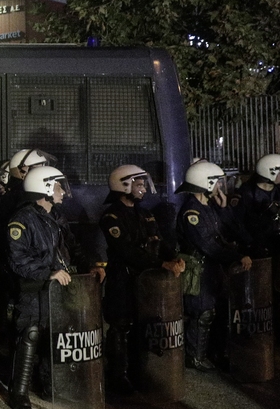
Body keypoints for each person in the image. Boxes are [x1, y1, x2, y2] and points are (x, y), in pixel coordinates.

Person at [5, 165, 91, 409]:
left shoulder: (56, 217)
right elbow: (17, 258)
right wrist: (48, 273)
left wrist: (90, 265)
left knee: (54, 336)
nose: (62, 192)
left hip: (56, 288)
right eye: (58, 186)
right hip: (33, 287)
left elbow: (69, 247)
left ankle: (51, 386)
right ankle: (19, 392)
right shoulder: (22, 219)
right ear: (44, 188)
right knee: (30, 334)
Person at [99, 165, 184, 393]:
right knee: (121, 325)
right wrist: (161, 263)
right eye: (139, 185)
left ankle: (139, 373)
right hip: (123, 279)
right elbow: (127, 251)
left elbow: (159, 241)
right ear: (124, 185)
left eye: (143, 185)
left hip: (146, 282)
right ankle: (118, 376)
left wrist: (173, 258)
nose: (143, 189)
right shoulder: (112, 217)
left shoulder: (145, 214)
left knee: (141, 325)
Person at [175, 160, 251, 372]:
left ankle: (214, 353)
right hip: (199, 269)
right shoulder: (192, 212)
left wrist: (224, 207)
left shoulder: (208, 206)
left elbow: (228, 229)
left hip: (212, 267)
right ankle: (195, 356)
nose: (219, 186)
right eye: (216, 182)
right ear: (205, 183)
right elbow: (208, 245)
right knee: (202, 312)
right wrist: (236, 256)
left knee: (217, 310)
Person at [234, 154, 280, 260]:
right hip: (256, 246)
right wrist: (251, 243)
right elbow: (237, 222)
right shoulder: (247, 193)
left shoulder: (277, 190)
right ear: (271, 172)